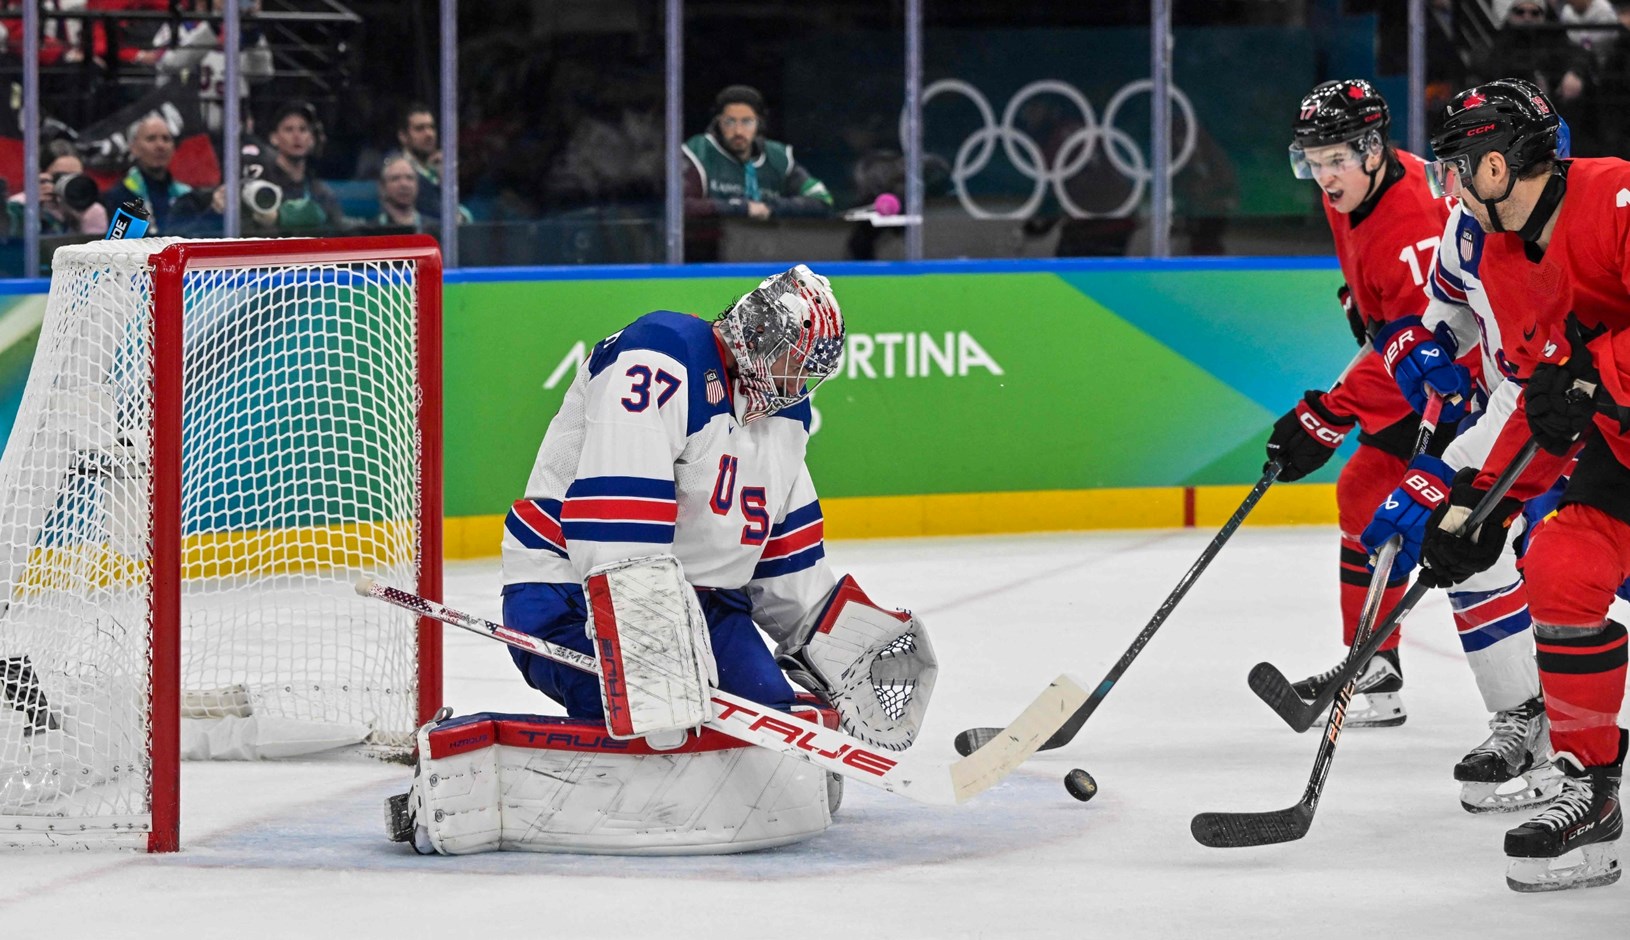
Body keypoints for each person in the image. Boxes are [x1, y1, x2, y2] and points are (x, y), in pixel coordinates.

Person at [1406, 79, 1627, 892]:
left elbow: (1579, 375)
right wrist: (1479, 504)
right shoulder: (1500, 255)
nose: (1452, 188)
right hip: (1622, 449)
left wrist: (1595, 372)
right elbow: (1544, 400)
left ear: (1497, 166)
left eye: (1458, 169)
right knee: (1561, 567)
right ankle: (1592, 790)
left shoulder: (1617, 198)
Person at [1264, 80, 1460, 731]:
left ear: (1374, 148)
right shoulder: (1352, 190)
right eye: (1312, 161)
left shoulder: (1414, 222)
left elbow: (1431, 347)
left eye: (1335, 160)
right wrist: (1362, 301)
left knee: (1485, 549)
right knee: (1364, 492)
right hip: (1419, 379)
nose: (1323, 176)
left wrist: (1331, 412)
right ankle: (1374, 665)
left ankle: (1533, 697)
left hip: (1467, 389)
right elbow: (1387, 312)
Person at [681, 85, 833, 261]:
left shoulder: (778, 157)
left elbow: (823, 200)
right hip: (709, 260)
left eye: (747, 122)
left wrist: (771, 208)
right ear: (718, 123)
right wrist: (743, 208)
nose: (738, 131)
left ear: (759, 123)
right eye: (729, 122)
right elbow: (681, 207)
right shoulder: (698, 152)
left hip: (773, 258)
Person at [139, 0, 274, 138]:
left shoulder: (246, 32)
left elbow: (263, 74)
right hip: (186, 129)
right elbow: (165, 63)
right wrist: (213, 28)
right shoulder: (181, 26)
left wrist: (252, 34)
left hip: (235, 130)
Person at [99, 113, 223, 235]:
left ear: (173, 148)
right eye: (151, 139)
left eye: (166, 139)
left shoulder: (187, 196)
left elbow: (192, 236)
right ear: (134, 148)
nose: (160, 146)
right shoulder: (119, 196)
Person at [246, 100, 346, 234]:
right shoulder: (261, 184)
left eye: (303, 129)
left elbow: (337, 227)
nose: (297, 136)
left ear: (311, 139)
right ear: (274, 138)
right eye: (289, 129)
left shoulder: (319, 191)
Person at [8, 139, 109, 236]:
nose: (68, 182)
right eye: (61, 176)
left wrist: (75, 215)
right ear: (42, 174)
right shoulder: (19, 206)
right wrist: (33, 209)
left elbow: (93, 247)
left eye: (75, 177)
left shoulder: (92, 212)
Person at [390, 103, 470, 223]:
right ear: (403, 136)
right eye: (419, 129)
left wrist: (445, 180)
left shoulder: (437, 169)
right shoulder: (399, 172)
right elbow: (446, 218)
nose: (429, 134)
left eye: (431, 127)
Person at [372, 154, 435, 232]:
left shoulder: (435, 230)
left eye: (410, 178)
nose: (404, 184)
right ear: (383, 187)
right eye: (395, 178)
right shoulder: (371, 232)